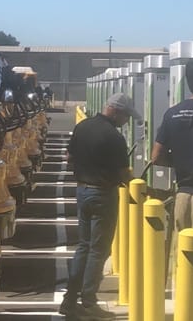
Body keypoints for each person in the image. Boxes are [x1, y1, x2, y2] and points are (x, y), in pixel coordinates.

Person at [150, 56, 193, 320]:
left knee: (183, 254)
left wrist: (179, 163)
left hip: (182, 192)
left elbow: (156, 156)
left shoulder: (173, 112)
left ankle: (183, 308)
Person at [59, 92, 139, 320]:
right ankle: (89, 301)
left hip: (82, 191)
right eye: (126, 116)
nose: (126, 121)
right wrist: (139, 189)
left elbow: (69, 157)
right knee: (99, 249)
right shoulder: (114, 137)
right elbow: (124, 174)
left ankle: (70, 299)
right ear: (115, 111)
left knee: (83, 246)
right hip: (103, 194)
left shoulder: (83, 127)